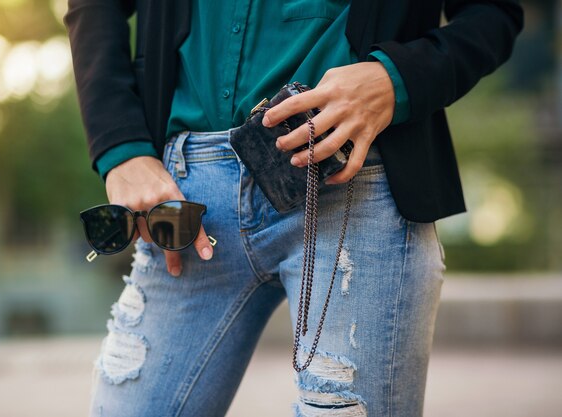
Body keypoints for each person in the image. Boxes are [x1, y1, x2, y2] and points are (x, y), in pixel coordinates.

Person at [64, 0, 523, 416]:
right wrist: (120, 147)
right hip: (185, 203)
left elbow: (492, 13)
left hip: (355, 188)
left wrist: (394, 79)